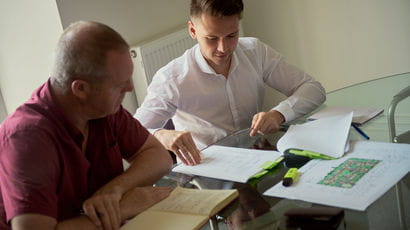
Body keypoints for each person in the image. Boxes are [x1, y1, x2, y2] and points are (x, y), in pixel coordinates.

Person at [0, 21, 174, 230]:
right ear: (81, 89)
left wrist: (114, 190)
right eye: (119, 85)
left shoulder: (103, 110)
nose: (129, 88)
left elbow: (159, 157)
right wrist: (122, 209)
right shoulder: (26, 138)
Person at [135, 0, 326, 166]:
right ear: (193, 30)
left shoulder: (255, 51)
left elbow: (313, 89)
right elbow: (133, 130)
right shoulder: (172, 78)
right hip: (210, 170)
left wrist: (279, 114)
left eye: (231, 36)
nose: (223, 48)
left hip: (260, 156)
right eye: (211, 38)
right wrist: (161, 135)